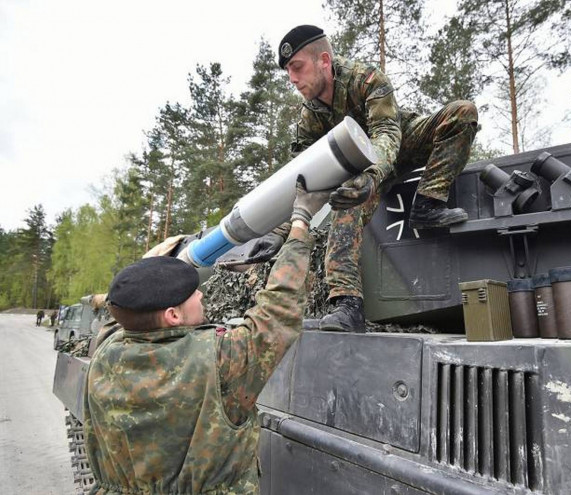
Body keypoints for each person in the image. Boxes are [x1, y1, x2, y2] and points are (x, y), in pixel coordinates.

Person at [82, 178, 330, 495]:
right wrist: (301, 221)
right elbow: (279, 309)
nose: (200, 294)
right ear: (172, 315)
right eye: (191, 293)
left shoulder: (104, 352)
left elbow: (127, 301)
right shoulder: (219, 359)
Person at [247, 25, 479, 333]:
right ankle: (347, 305)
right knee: (346, 203)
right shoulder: (309, 117)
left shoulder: (366, 79)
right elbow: (302, 178)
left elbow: (386, 132)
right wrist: (277, 232)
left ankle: (427, 203)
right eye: (288, 71)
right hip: (361, 174)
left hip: (400, 142)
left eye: (297, 68)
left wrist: (371, 176)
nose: (292, 79)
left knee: (461, 113)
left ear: (324, 60)